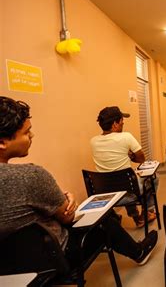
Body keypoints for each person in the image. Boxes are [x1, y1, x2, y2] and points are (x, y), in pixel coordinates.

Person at [0, 96, 157, 267]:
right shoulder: (30, 176)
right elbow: (67, 217)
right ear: (2, 142)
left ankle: (136, 215)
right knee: (106, 222)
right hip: (53, 258)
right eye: (26, 132)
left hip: (9, 266)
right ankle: (139, 251)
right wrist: (68, 201)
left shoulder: (94, 141)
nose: (32, 135)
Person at [90, 106, 157, 228]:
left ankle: (135, 217)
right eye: (121, 121)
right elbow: (141, 159)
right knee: (152, 179)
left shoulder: (93, 141)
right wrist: (131, 157)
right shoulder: (126, 137)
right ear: (115, 124)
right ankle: (147, 213)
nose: (123, 123)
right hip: (127, 192)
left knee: (124, 179)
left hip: (105, 192)